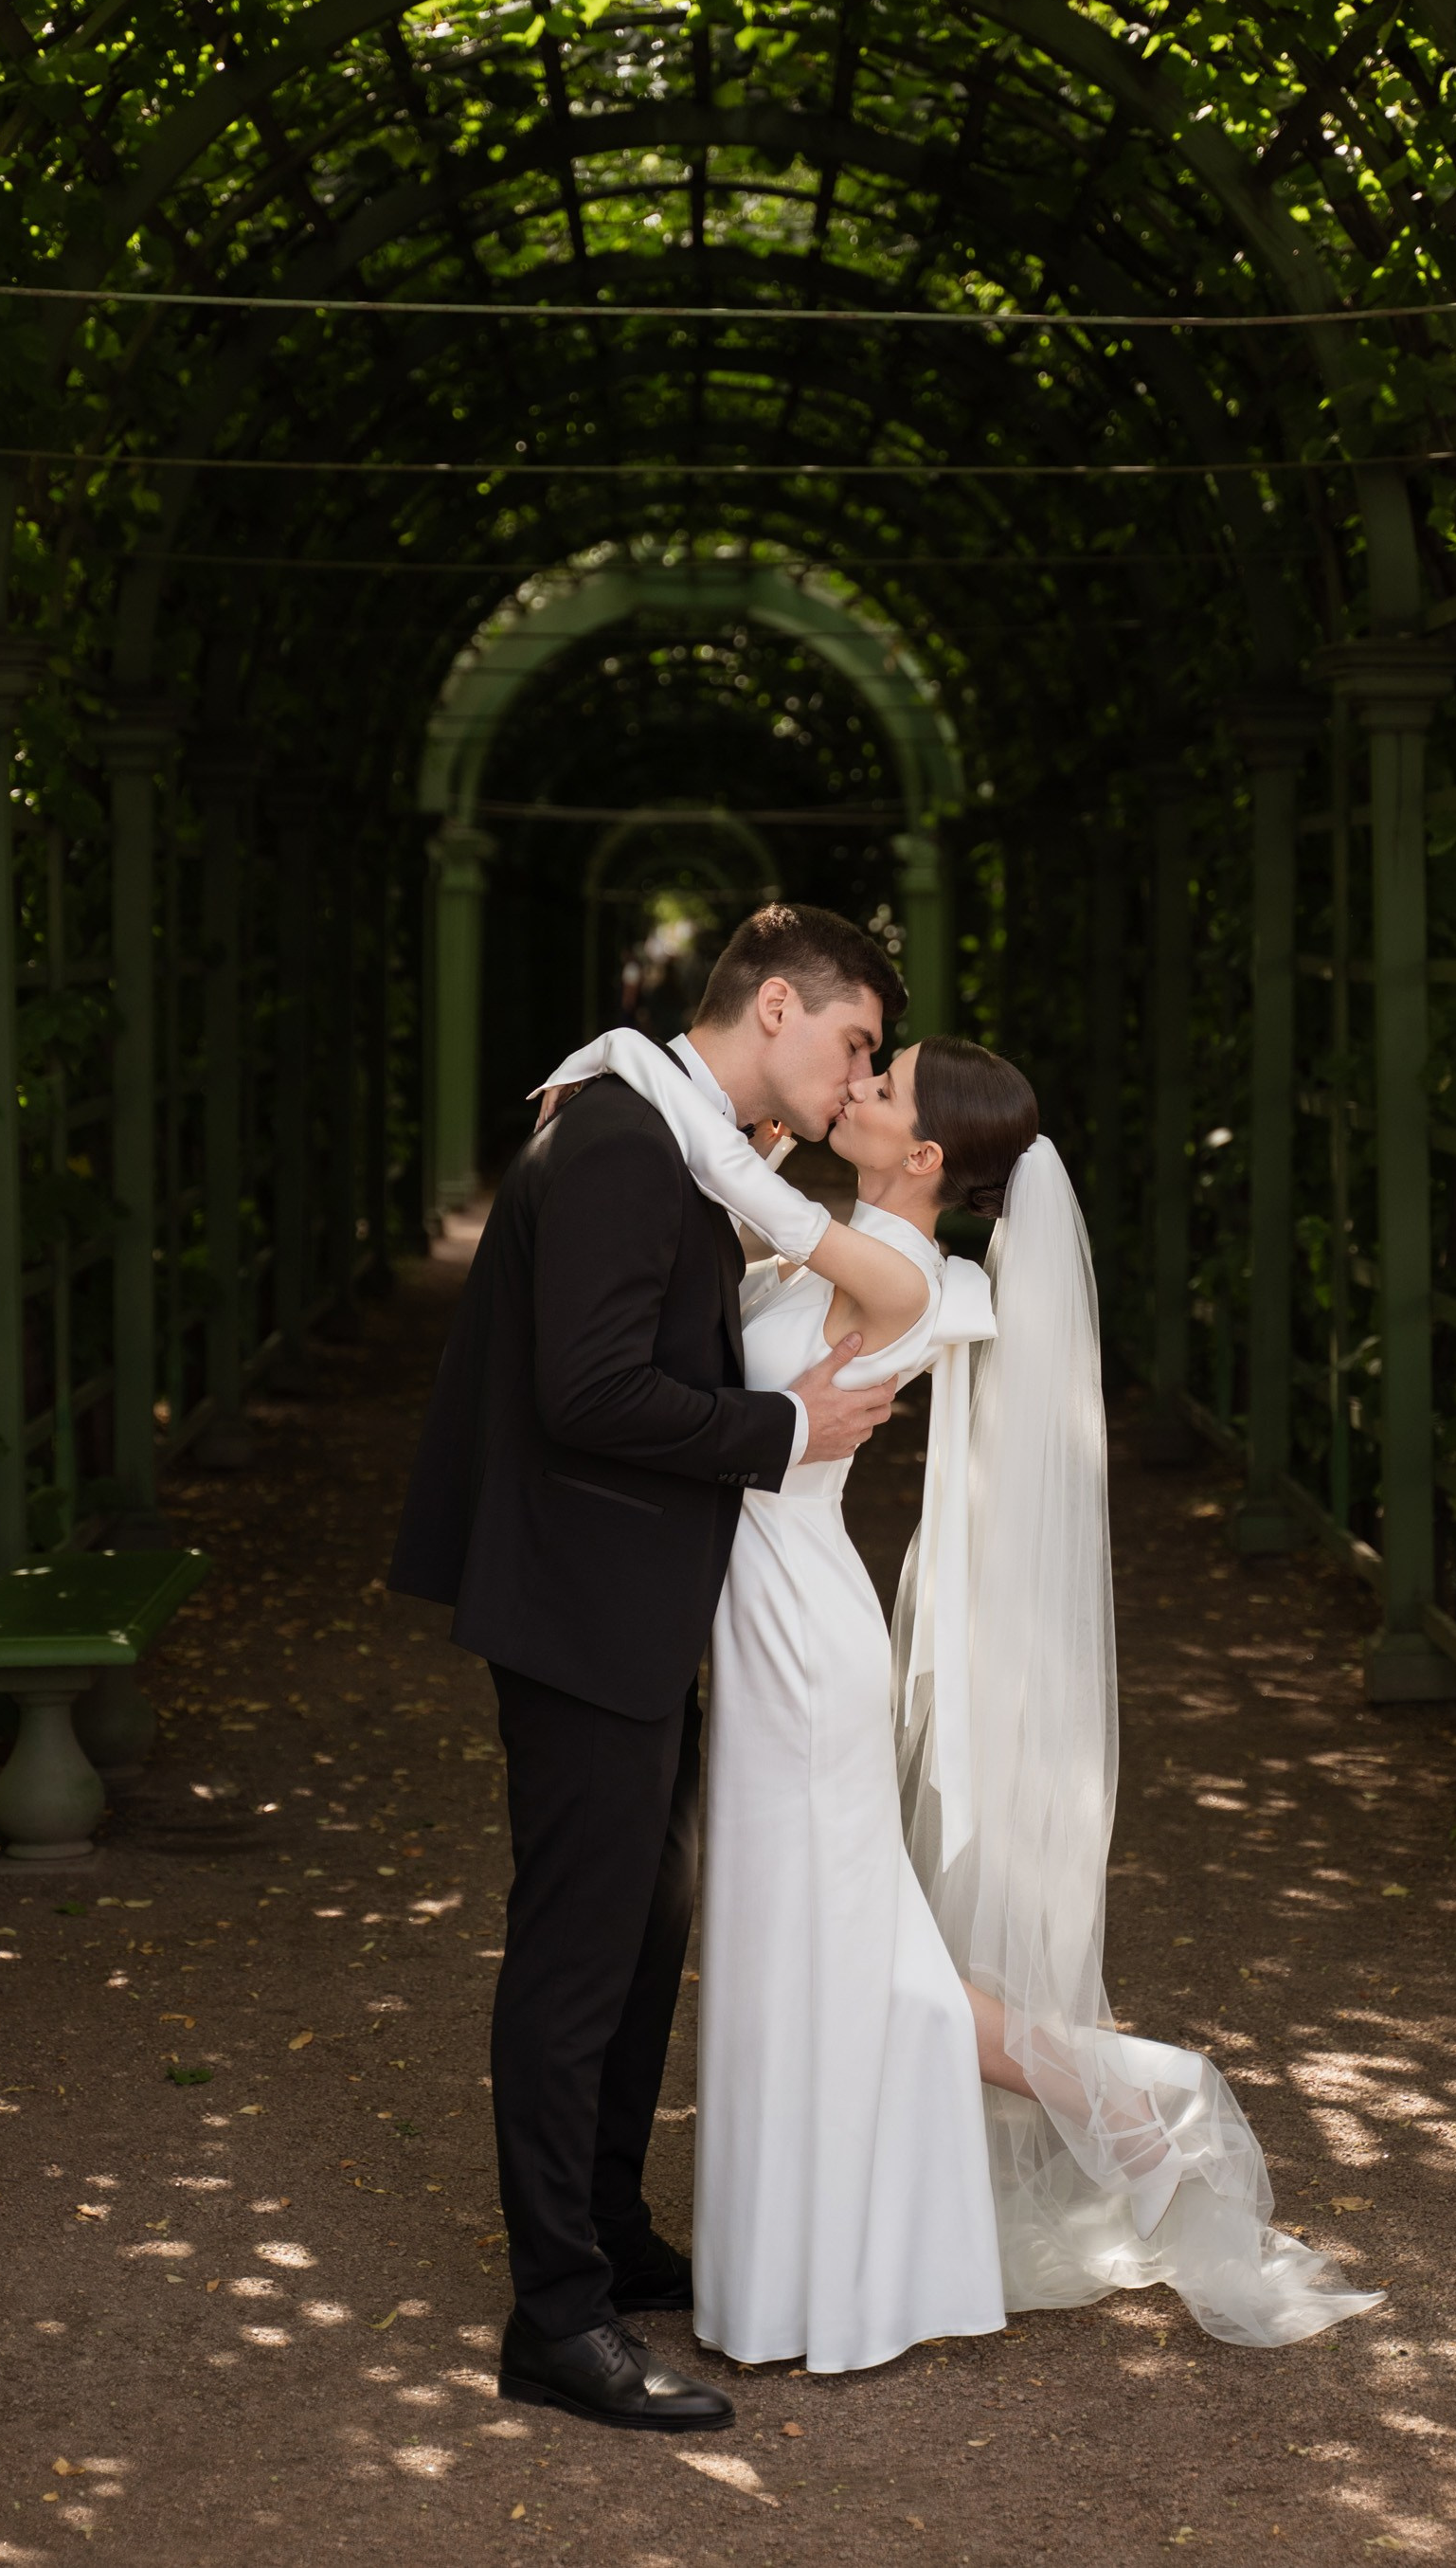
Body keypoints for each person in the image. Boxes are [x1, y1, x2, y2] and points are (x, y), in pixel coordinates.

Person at [535, 1021, 1385, 2374]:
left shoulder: (909, 1274)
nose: (855, 1089)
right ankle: (834, 2257)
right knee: (805, 1953)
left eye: (882, 1083)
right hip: (763, 1614)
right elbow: (731, 1227)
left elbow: (735, 1183)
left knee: (862, 1962)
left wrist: (630, 1055)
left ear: (925, 1153)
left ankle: (1138, 2108)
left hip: (801, 1632)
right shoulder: (854, 1240)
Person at [388, 904, 908, 2431]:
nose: (857, 1074)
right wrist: (780, 1434)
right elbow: (592, 1386)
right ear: (768, 1010)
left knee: (638, 1929)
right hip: (576, 1596)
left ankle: (607, 2236)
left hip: (627, 1594)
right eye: (853, 1042)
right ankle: (554, 2317)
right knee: (575, 1954)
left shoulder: (661, 1122)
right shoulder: (623, 1138)